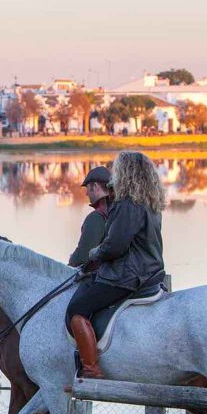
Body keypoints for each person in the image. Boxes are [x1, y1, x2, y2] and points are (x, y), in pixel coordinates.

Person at [65, 151, 167, 379]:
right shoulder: (151, 203)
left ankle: (91, 369)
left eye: (118, 170)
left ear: (127, 174)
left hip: (128, 275)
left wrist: (94, 252)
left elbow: (115, 246)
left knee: (77, 308)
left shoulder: (128, 204)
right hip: (151, 272)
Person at [68, 166, 113, 268]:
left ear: (96, 186)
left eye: (88, 188)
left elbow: (82, 258)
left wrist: (72, 259)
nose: (86, 193)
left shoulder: (96, 217)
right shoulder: (120, 209)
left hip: (102, 278)